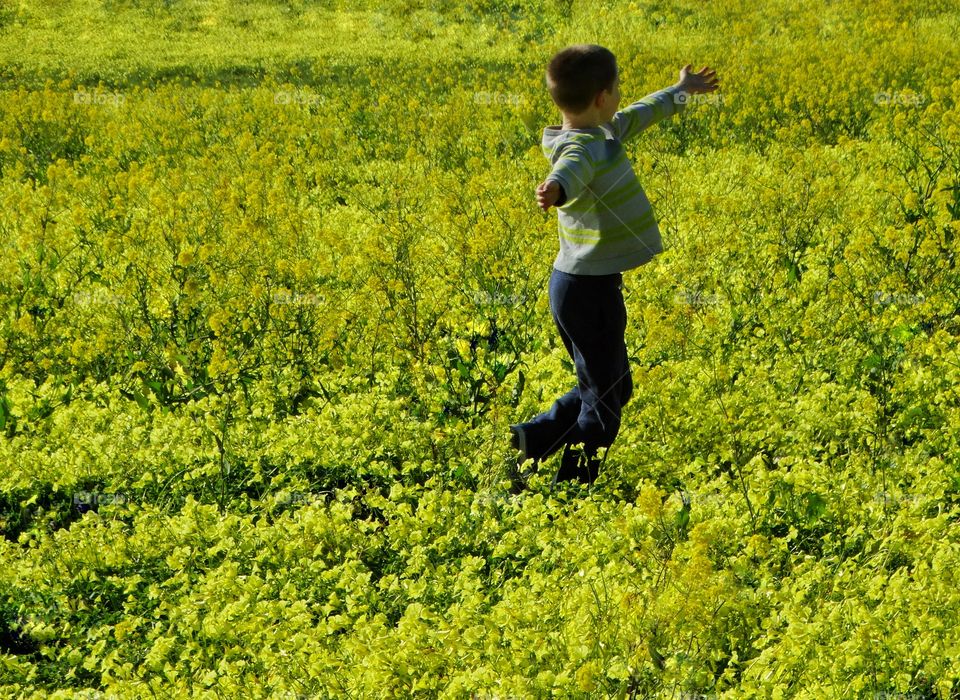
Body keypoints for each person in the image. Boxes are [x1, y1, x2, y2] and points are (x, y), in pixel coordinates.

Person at [508, 44, 719, 492]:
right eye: (618, 86)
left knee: (612, 387)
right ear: (603, 97)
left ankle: (531, 438)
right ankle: (574, 487)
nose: (623, 94)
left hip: (584, 287)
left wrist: (680, 90)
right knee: (604, 399)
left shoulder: (605, 131)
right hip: (586, 293)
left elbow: (644, 111)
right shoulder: (582, 146)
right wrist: (555, 190)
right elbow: (570, 168)